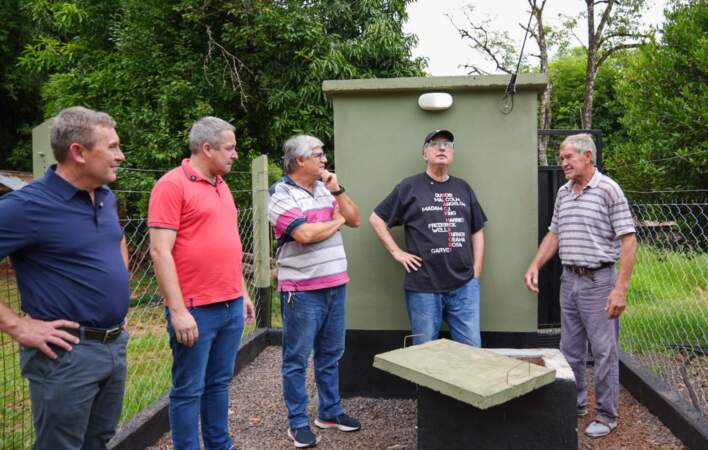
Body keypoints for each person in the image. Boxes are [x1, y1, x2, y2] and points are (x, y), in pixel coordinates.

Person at [0, 106, 130, 449]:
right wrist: (18, 326)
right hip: (67, 354)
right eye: (112, 147)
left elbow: (117, 239)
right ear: (78, 152)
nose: (121, 155)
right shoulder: (26, 207)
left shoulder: (104, 196)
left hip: (114, 344)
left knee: (98, 440)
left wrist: (120, 289)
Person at [149, 116, 255, 450]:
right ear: (206, 148)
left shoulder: (221, 185)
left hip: (230, 304)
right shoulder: (172, 185)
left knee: (219, 383)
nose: (235, 154)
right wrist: (178, 311)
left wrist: (242, 290)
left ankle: (219, 444)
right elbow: (159, 251)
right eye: (230, 148)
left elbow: (230, 242)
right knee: (188, 389)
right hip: (195, 309)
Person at [523, 133, 637, 438]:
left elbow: (629, 241)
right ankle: (574, 403)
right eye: (561, 158)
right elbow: (554, 234)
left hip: (599, 281)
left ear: (587, 156)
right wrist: (535, 264)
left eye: (567, 157)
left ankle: (606, 414)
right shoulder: (564, 192)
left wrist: (620, 289)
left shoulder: (609, 190)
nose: (563, 163)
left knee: (603, 351)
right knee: (570, 349)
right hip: (568, 280)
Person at [268, 134, 361, 448]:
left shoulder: (326, 188)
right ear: (300, 161)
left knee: (331, 354)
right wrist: (336, 222)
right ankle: (297, 423)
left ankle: (330, 412)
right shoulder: (280, 193)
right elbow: (305, 234)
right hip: (302, 290)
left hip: (336, 284)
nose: (324, 160)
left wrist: (338, 191)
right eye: (318, 155)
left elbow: (356, 219)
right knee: (296, 358)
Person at [369, 129, 487, 347]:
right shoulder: (409, 187)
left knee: (472, 351)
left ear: (452, 154)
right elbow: (376, 219)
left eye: (448, 144)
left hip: (464, 286)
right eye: (435, 144)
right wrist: (397, 252)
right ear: (424, 154)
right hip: (423, 285)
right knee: (423, 354)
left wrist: (476, 273)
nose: (442, 148)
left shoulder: (463, 188)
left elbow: (477, 230)